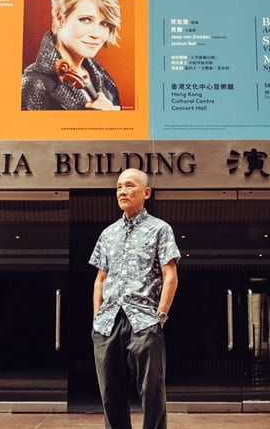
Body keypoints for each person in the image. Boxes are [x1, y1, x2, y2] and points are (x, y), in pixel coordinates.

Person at [90, 168, 180, 429]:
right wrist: (97, 317)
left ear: (146, 192)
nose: (122, 191)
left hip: (144, 322)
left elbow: (170, 275)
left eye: (129, 186)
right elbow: (101, 279)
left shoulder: (159, 229)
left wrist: (160, 317)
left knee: (152, 394)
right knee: (110, 394)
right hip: (107, 324)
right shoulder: (108, 234)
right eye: (119, 187)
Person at [21, 0, 122, 110]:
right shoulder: (33, 84)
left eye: (104, 24)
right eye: (86, 20)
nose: (96, 34)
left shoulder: (102, 76)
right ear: (60, 18)